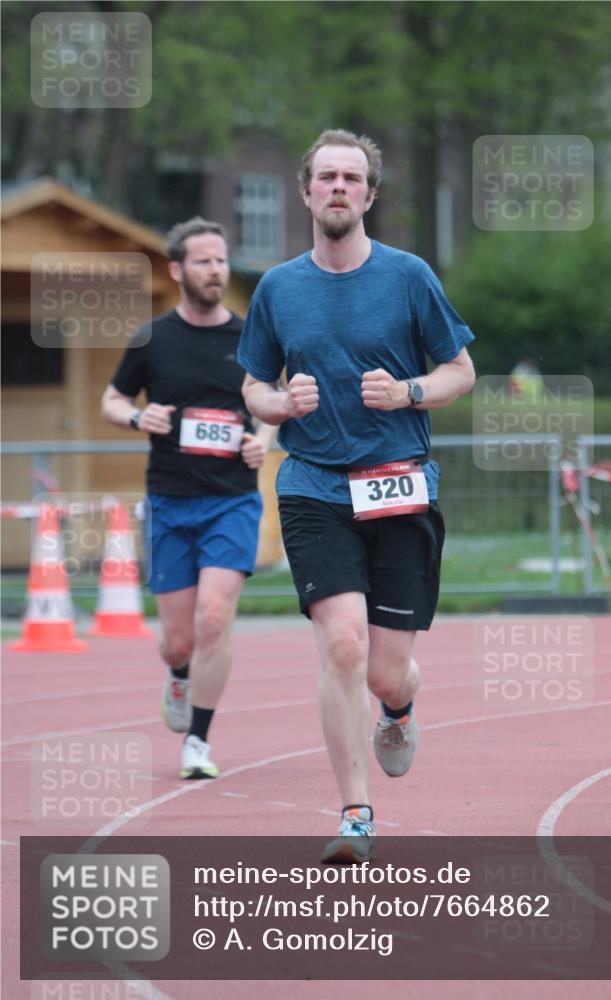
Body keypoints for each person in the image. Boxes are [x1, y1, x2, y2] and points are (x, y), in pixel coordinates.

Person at [237, 129, 475, 862]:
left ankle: (398, 708)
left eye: (352, 178)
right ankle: (355, 812)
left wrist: (408, 390)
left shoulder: (408, 277)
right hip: (313, 486)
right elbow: (250, 384)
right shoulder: (278, 288)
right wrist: (277, 405)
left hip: (397, 485)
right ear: (306, 192)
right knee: (341, 644)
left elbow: (459, 371)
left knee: (382, 668)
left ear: (368, 196)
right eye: (326, 177)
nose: (338, 187)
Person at [101, 217, 274, 780]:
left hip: (232, 501)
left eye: (221, 260)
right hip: (171, 501)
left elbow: (272, 404)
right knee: (177, 640)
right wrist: (135, 416)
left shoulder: (249, 338)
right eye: (204, 261)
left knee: (215, 616)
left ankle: (198, 740)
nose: (216, 270)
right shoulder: (154, 338)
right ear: (177, 270)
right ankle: (178, 674)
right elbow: (112, 398)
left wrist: (263, 439)